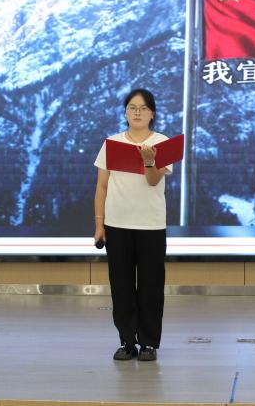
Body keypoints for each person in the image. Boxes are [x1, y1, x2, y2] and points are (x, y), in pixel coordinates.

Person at [93, 88, 172, 362]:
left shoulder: (162, 142)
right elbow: (102, 187)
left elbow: (153, 181)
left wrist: (149, 162)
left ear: (152, 114)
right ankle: (127, 341)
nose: (137, 112)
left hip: (151, 225)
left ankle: (148, 343)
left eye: (143, 108)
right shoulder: (112, 143)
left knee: (151, 286)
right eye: (132, 107)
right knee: (121, 286)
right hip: (117, 223)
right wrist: (99, 225)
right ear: (125, 112)